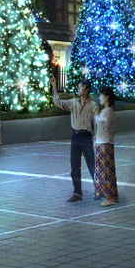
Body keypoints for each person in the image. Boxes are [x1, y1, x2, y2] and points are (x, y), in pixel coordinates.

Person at [51, 74, 98, 202]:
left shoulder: (93, 105)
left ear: (87, 90)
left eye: (81, 87)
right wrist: (54, 87)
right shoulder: (73, 102)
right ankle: (77, 193)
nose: (78, 89)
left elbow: (96, 125)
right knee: (74, 166)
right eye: (78, 87)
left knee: (92, 164)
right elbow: (58, 102)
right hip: (75, 136)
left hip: (86, 136)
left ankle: (99, 190)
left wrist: (96, 140)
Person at [94, 86, 119, 207]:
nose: (99, 98)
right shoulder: (105, 111)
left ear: (107, 97)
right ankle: (112, 195)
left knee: (106, 170)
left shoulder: (107, 111)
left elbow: (103, 125)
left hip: (105, 143)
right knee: (107, 170)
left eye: (101, 96)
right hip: (102, 142)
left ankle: (109, 196)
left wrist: (96, 115)